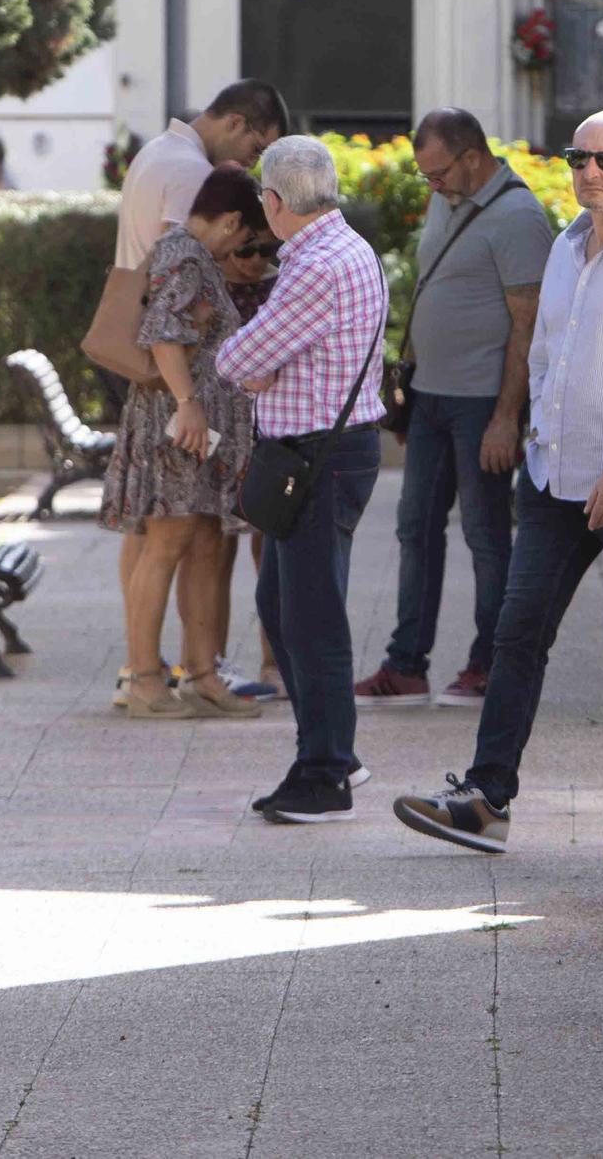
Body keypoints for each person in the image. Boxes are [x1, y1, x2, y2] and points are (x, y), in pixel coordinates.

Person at [391, 109, 603, 854]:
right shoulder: (564, 244)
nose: (590, 170)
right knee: (517, 631)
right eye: (579, 157)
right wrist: (530, 434)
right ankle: (487, 798)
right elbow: (547, 349)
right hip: (555, 480)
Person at [354, 108, 552, 710]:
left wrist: (504, 418)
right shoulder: (447, 198)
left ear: (472, 156)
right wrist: (407, 393)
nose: (432, 185)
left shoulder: (519, 217)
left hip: (481, 409)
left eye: (439, 172)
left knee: (487, 537)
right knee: (415, 529)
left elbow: (530, 327)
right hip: (432, 400)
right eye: (425, 176)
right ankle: (405, 665)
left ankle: (489, 664)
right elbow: (429, 291)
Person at [217, 135, 388, 825]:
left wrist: (259, 364)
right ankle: (333, 750)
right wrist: (266, 364)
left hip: (318, 456)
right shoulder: (348, 246)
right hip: (327, 451)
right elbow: (266, 357)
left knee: (311, 617)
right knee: (281, 602)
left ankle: (325, 772)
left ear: (274, 200)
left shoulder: (314, 264)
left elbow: (239, 356)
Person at [107, 79, 290, 708]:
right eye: (248, 242)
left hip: (187, 412)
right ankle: (146, 677)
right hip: (177, 412)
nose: (250, 258)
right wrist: (188, 403)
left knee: (194, 537)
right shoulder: (188, 233)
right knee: (168, 538)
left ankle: (197, 672)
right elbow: (166, 325)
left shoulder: (158, 154)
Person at [216, 234, 286, 699]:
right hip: (219, 428)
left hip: (265, 429)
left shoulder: (280, 285)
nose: (257, 262)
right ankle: (210, 662)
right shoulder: (206, 286)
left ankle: (274, 661)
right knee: (215, 551)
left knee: (270, 550)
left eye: (266, 250)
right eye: (246, 251)